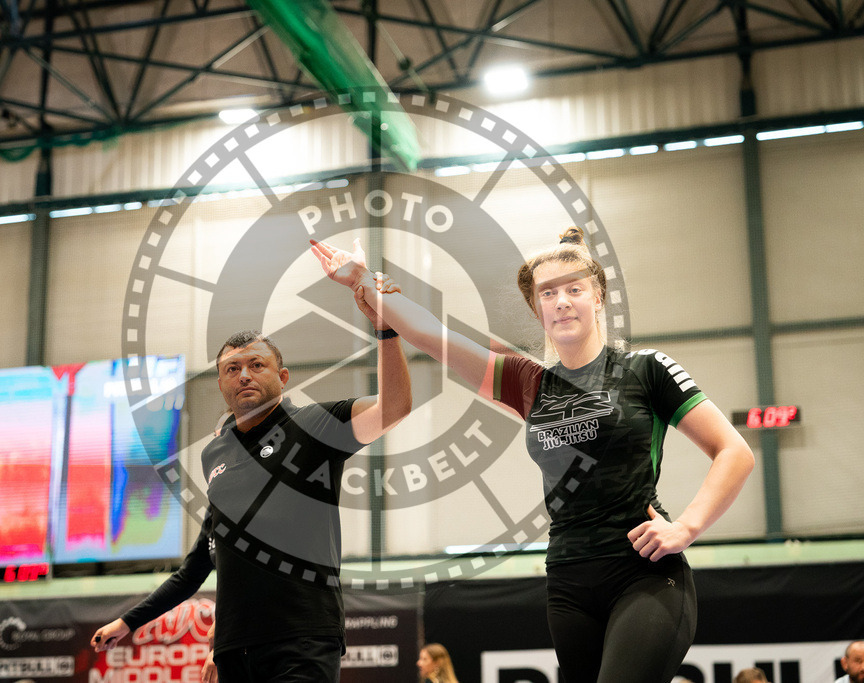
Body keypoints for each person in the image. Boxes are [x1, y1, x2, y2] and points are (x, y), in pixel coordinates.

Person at [311, 228, 755, 683]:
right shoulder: (528, 383)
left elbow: (733, 451)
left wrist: (686, 527)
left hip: (644, 574)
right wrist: (364, 279)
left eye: (574, 289)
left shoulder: (646, 369)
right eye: (549, 293)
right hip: (568, 582)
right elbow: (433, 335)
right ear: (537, 307)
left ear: (598, 297)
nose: (561, 301)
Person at [91, 289, 412, 683]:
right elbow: (201, 562)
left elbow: (394, 407)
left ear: (282, 377)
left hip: (303, 637)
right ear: (222, 385)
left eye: (256, 364)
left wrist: (386, 331)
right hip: (233, 650)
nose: (243, 374)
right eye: (231, 368)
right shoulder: (214, 455)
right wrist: (128, 621)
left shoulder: (316, 425)